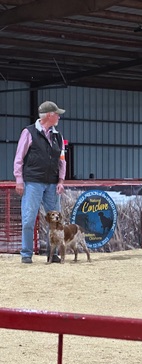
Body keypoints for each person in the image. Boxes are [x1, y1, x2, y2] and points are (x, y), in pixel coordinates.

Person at [13, 101, 66, 264]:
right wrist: (19, 180)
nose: (58, 116)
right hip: (32, 182)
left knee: (55, 221)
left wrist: (61, 180)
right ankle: (26, 254)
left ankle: (53, 253)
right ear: (49, 115)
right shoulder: (28, 132)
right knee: (28, 218)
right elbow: (19, 158)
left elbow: (62, 160)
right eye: (56, 114)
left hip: (52, 183)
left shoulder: (58, 135)